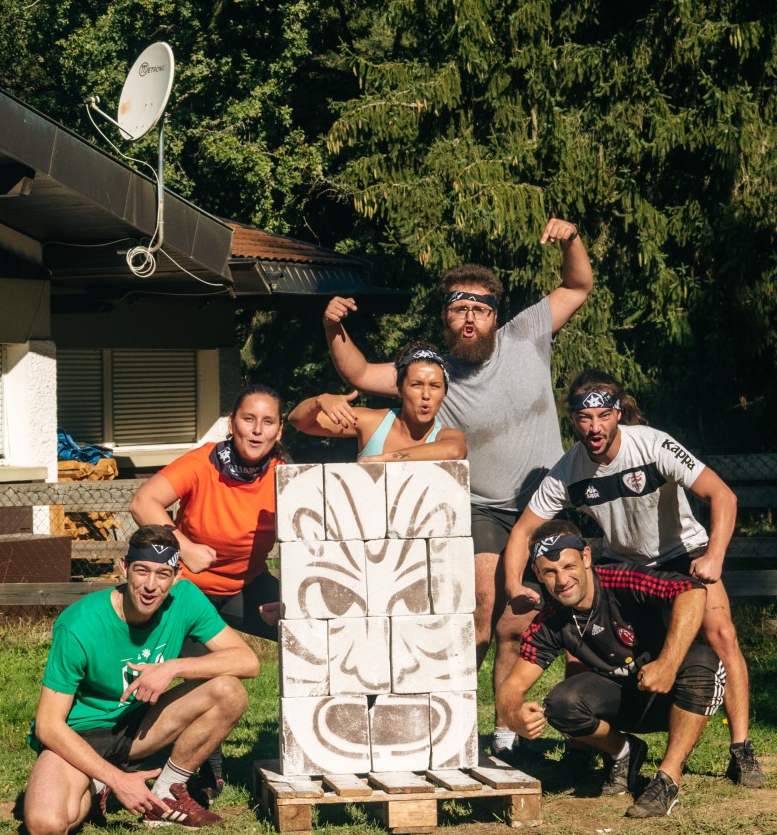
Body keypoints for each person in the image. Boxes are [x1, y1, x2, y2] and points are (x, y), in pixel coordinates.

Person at [321, 218, 593, 751]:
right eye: (459, 308)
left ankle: (505, 731)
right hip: (482, 507)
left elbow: (578, 285)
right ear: (446, 315)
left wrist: (572, 238)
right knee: (482, 612)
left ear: (495, 314)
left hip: (545, 501)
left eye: (481, 308)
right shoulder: (433, 371)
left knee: (524, 621)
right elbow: (357, 374)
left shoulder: (528, 333)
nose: (470, 318)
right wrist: (333, 325)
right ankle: (446, 720)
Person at [499, 370, 766, 789]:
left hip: (684, 554)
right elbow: (522, 532)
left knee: (722, 636)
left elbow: (723, 495)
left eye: (603, 416)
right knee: (578, 648)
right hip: (624, 566)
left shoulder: (653, 444)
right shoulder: (568, 470)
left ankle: (741, 749)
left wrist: (713, 555)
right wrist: (515, 584)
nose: (594, 427)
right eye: (585, 419)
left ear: (617, 414)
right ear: (573, 420)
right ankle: (582, 752)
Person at [21, 525, 259, 835]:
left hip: (140, 725)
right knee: (47, 827)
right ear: (124, 568)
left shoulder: (185, 599)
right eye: (141, 571)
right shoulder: (79, 623)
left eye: (163, 574)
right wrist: (116, 779)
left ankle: (167, 794)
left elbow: (248, 662)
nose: (150, 585)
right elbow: (48, 726)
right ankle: (98, 782)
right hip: (80, 735)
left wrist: (173, 667)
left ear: (176, 576)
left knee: (229, 690)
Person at [497, 520, 723, 818]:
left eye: (568, 566)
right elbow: (511, 688)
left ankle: (667, 779)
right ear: (537, 574)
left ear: (586, 558)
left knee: (704, 662)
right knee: (560, 704)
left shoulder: (620, 579)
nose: (561, 580)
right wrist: (514, 715)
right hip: (621, 703)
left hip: (670, 696)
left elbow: (692, 590)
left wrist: (667, 663)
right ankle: (624, 751)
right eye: (550, 572)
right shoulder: (550, 619)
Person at [127, 383, 285, 798]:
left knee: (312, 628)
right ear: (232, 424)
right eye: (248, 419)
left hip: (247, 587)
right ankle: (197, 771)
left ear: (279, 431)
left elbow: (312, 533)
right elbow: (143, 501)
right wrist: (184, 546)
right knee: (201, 679)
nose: (256, 430)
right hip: (190, 592)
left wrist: (290, 597)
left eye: (267, 422)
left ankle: (319, 740)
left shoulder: (285, 473)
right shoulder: (202, 463)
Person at [290, 347, 469, 462]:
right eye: (416, 384)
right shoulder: (372, 423)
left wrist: (385, 459)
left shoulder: (446, 435)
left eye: (435, 386)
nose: (426, 395)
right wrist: (319, 401)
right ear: (400, 389)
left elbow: (454, 451)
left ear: (444, 393)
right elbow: (300, 421)